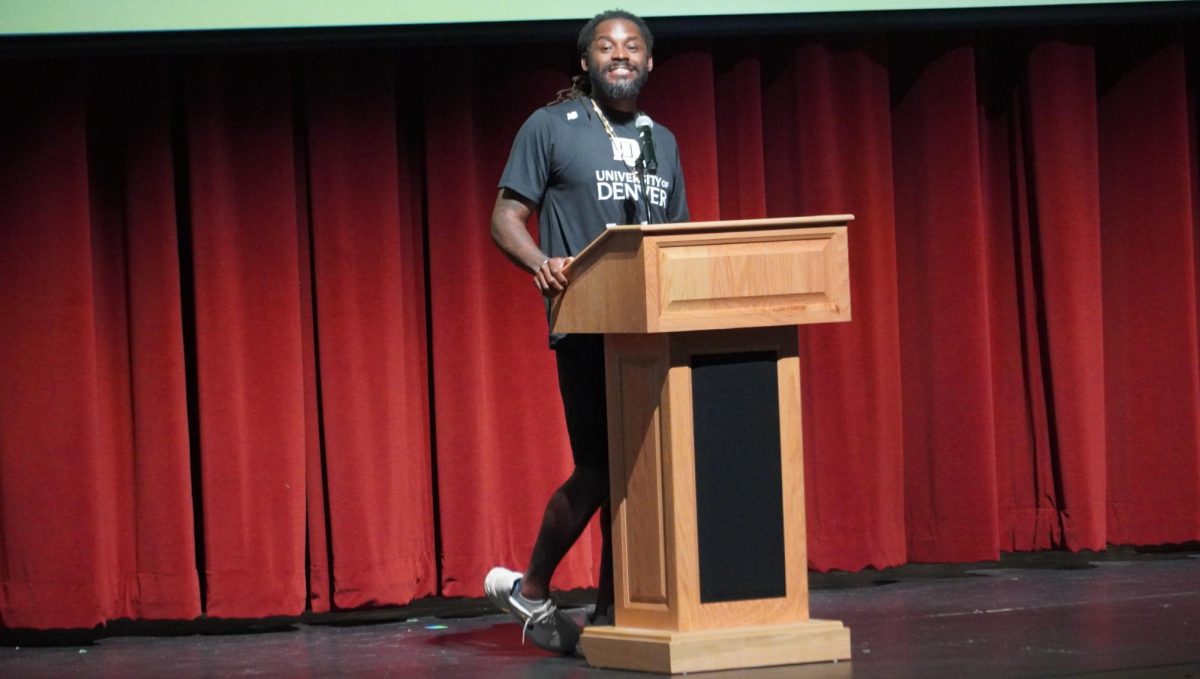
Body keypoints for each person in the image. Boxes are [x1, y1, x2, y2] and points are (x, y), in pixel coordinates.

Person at [483, 8, 690, 655]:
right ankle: (535, 585)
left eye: (633, 47)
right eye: (607, 47)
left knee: (643, 471)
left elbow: (676, 238)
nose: (620, 55)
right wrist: (540, 262)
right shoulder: (551, 127)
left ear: (650, 62)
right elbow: (506, 217)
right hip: (588, 324)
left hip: (654, 330)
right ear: (586, 62)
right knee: (603, 466)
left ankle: (612, 612)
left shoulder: (665, 142)